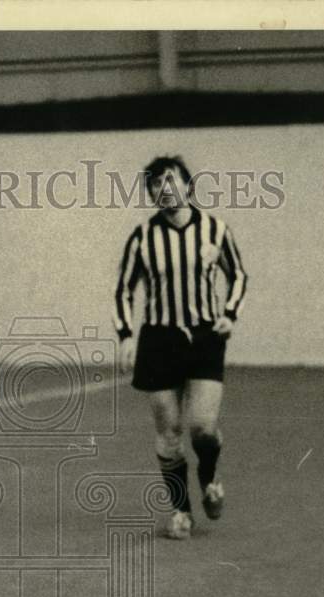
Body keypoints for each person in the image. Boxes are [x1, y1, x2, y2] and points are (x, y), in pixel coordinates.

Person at [113, 155, 247, 539]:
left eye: (170, 181)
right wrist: (126, 334)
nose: (163, 189)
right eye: (155, 184)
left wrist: (230, 313)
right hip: (159, 340)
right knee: (169, 433)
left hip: (205, 337)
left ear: (188, 186)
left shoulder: (215, 230)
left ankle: (209, 477)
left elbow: (237, 274)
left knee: (203, 429)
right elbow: (124, 289)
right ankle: (181, 511)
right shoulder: (143, 236)